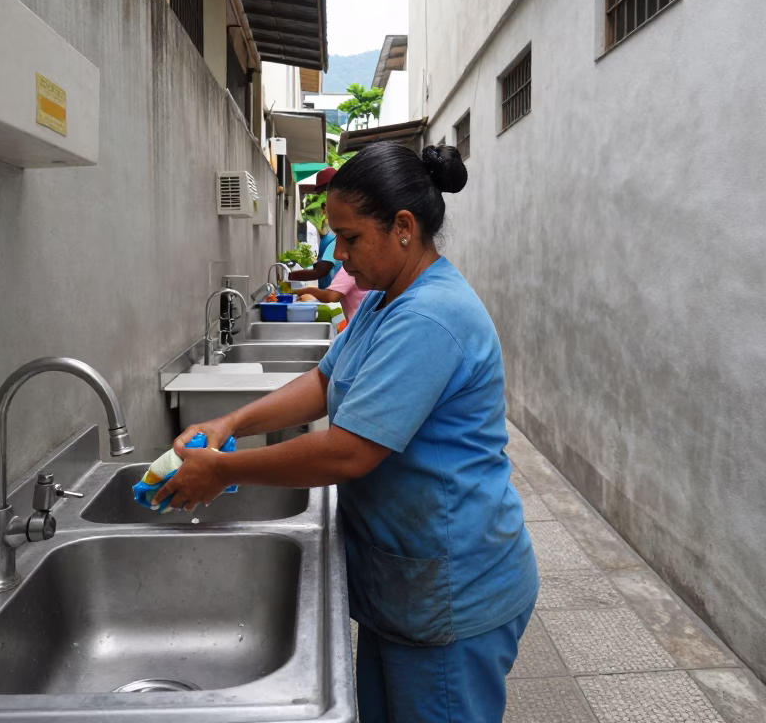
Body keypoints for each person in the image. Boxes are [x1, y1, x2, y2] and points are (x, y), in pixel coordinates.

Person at [155, 141, 539, 722]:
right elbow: (322, 379)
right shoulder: (386, 301)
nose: (341, 253)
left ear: (403, 227)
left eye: (352, 237)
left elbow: (348, 453)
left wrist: (226, 470)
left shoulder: (430, 317)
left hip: (453, 588)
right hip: (406, 582)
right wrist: (230, 421)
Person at [288, 167, 342, 289]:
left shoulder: (337, 240)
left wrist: (288, 277)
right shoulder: (329, 237)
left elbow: (320, 271)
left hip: (334, 296)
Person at [293, 266, 370, 321]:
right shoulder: (367, 265)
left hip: (360, 324)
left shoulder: (351, 268)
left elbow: (331, 296)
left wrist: (297, 292)